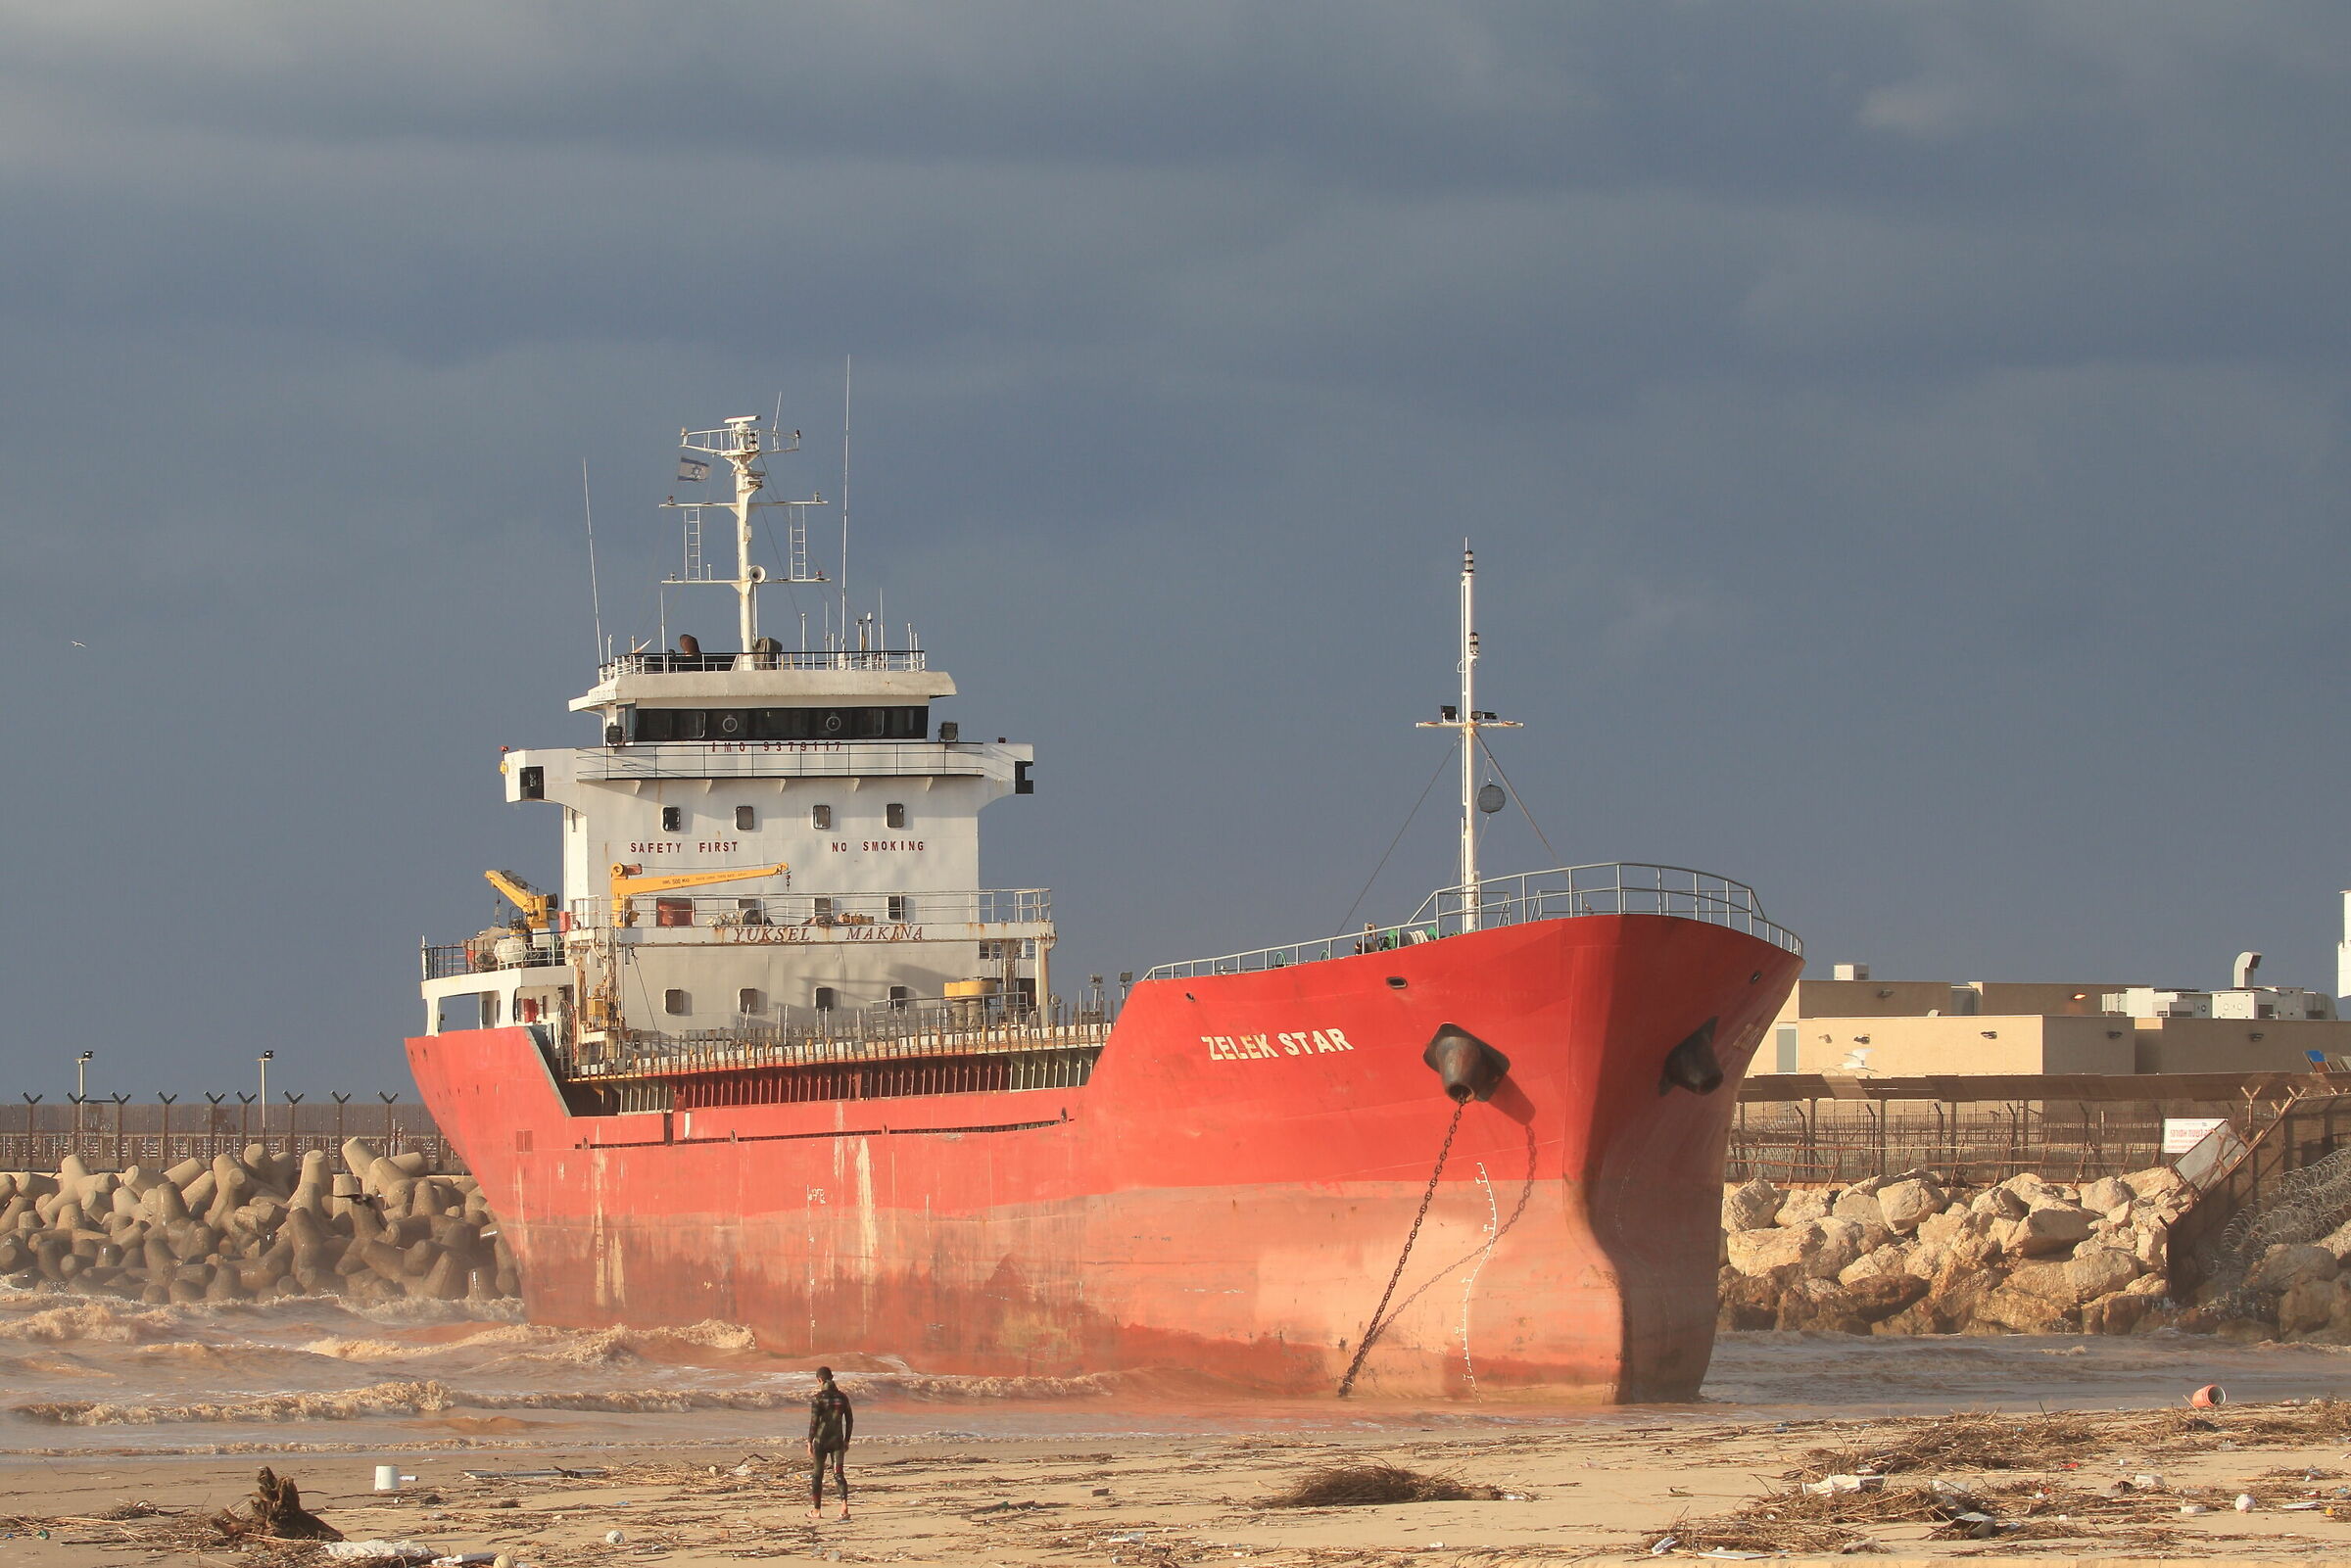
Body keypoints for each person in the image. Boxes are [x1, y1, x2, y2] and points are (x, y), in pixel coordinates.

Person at [805, 1366, 854, 1522]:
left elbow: (814, 1423)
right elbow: (850, 1420)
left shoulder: (818, 1398)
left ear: (819, 1380)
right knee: (839, 1474)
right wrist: (847, 1440)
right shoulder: (842, 1397)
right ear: (832, 1377)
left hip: (821, 1440)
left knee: (817, 1475)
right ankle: (844, 1507)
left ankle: (817, 1510)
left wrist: (809, 1441)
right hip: (837, 1441)